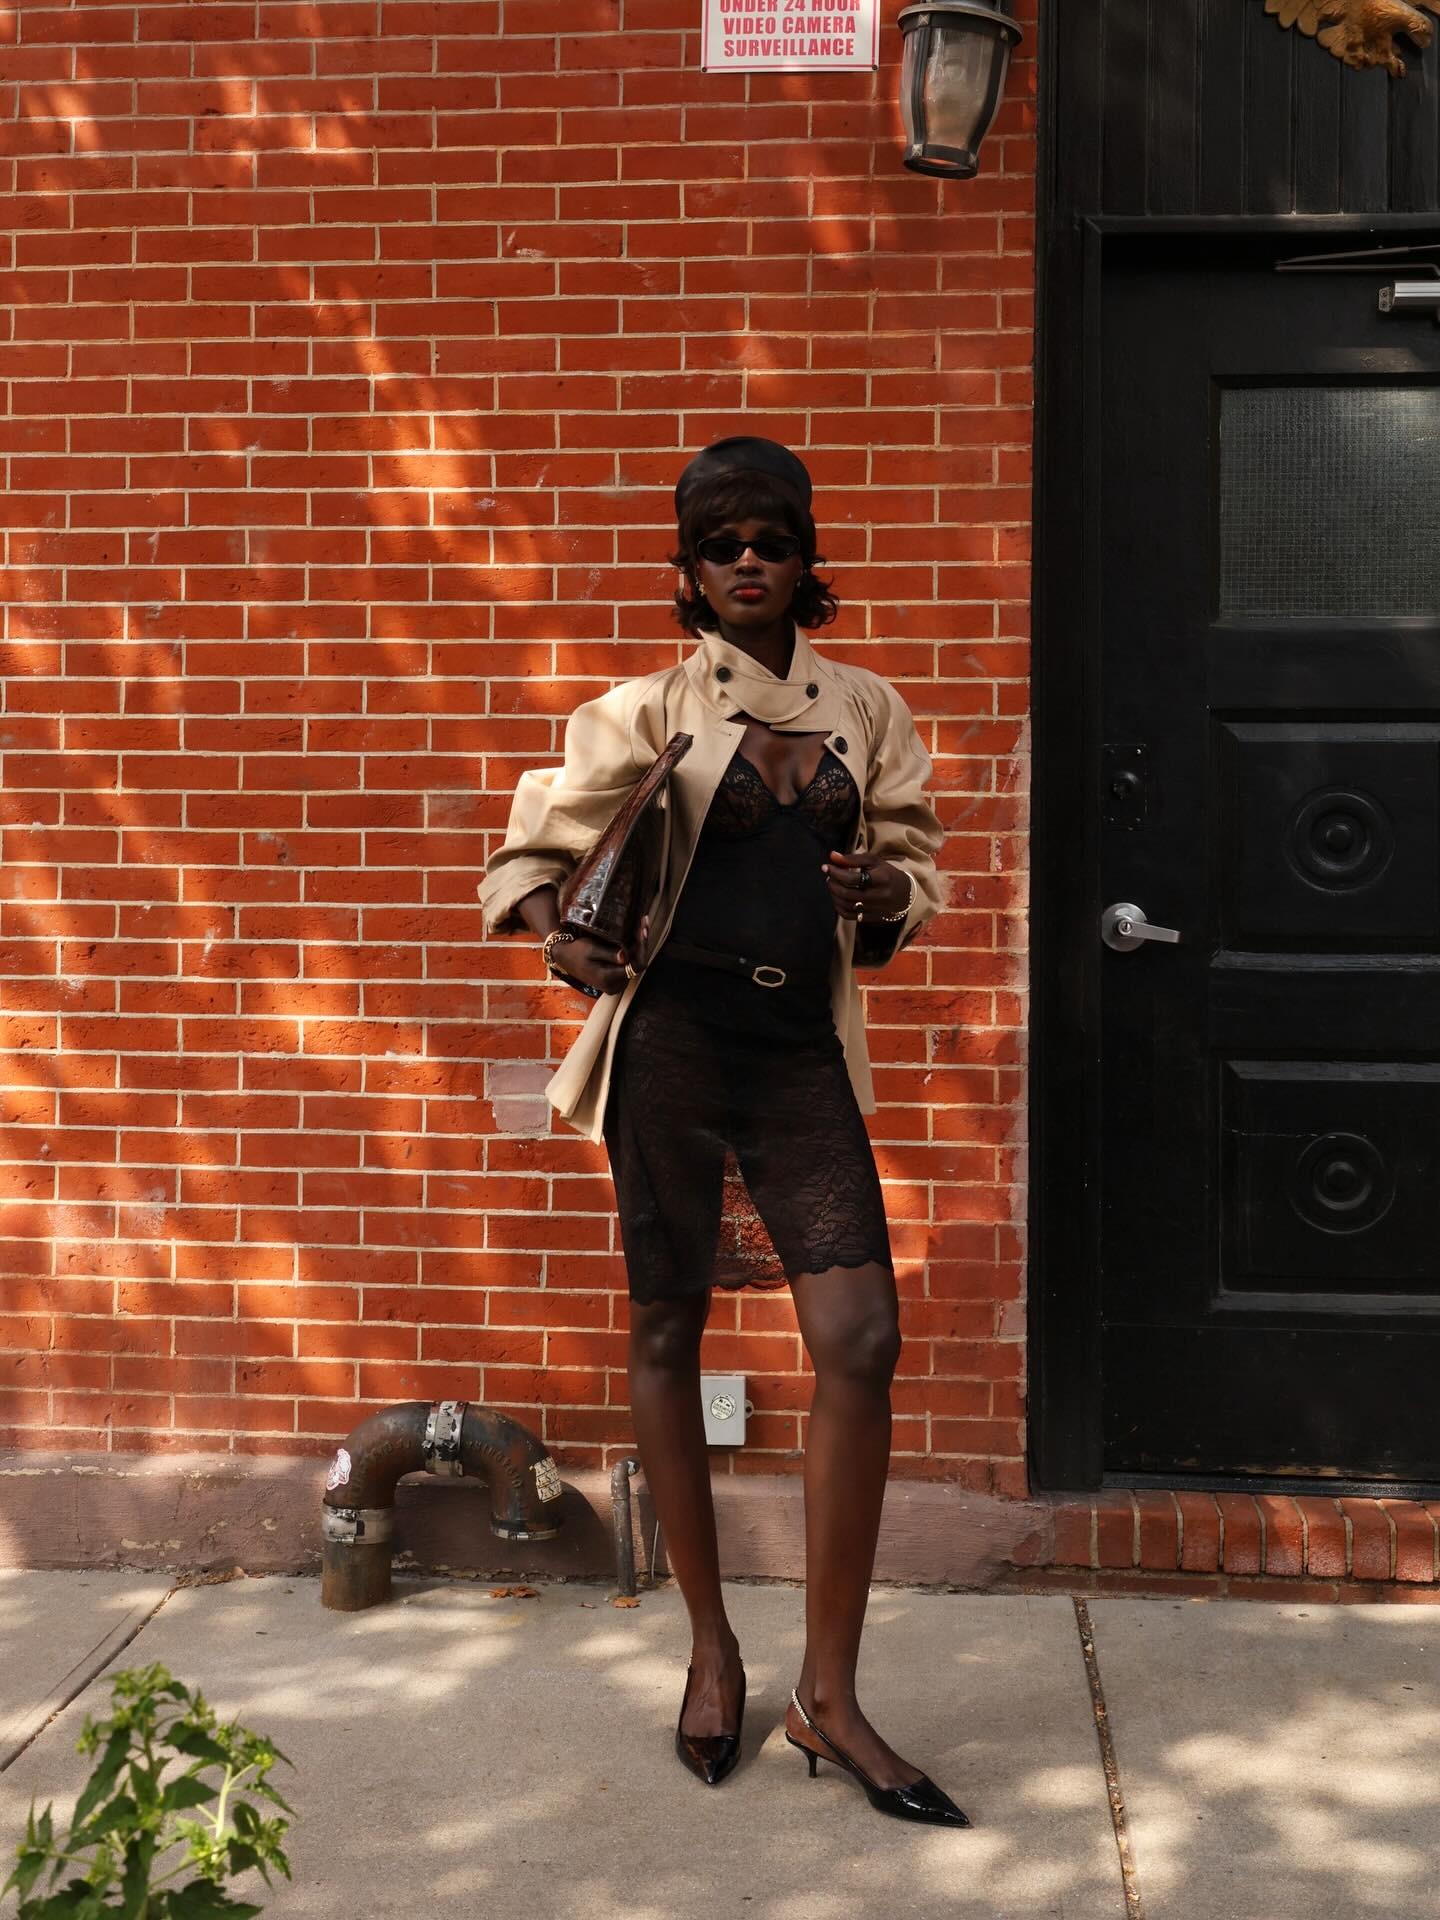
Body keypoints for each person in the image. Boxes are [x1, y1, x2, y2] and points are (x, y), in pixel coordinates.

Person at [479, 436, 963, 1827]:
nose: (749, 560)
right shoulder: (642, 712)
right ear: (689, 572)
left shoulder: (867, 709)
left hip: (799, 1050)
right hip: (675, 1047)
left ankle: (831, 1697)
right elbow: (526, 862)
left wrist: (887, 890)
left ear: (807, 560)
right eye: (721, 543)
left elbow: (916, 861)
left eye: (773, 539)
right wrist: (560, 938)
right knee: (666, 1332)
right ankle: (710, 1649)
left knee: (860, 1340)